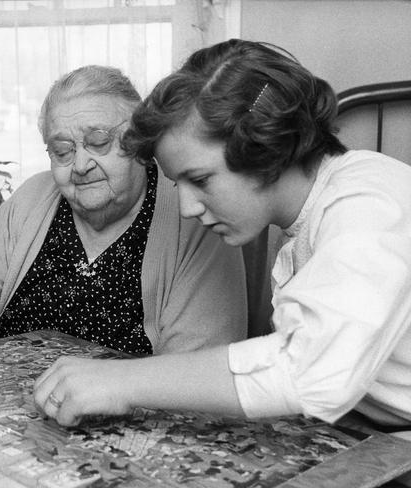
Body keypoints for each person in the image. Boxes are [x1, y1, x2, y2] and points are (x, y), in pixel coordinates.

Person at [33, 39, 411, 431]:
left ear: (267, 147)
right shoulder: (306, 219)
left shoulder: (371, 202)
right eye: (179, 185)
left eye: (200, 180)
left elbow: (310, 370)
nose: (187, 208)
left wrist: (121, 381)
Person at [0, 65, 247, 364]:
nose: (81, 165)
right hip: (8, 418)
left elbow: (197, 370)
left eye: (99, 142)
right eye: (63, 151)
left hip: (128, 422)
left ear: (140, 143)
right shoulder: (33, 198)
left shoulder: (193, 212)